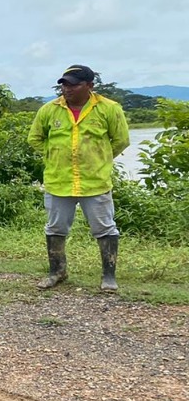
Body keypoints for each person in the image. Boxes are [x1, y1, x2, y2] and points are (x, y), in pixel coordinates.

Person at [27, 64, 130, 292]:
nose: (67, 89)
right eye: (64, 84)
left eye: (73, 84)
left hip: (95, 181)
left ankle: (108, 276)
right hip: (58, 181)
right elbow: (34, 138)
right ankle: (57, 271)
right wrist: (53, 155)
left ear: (90, 86)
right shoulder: (49, 110)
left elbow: (121, 140)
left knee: (105, 228)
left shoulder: (109, 109)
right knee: (55, 227)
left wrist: (100, 158)